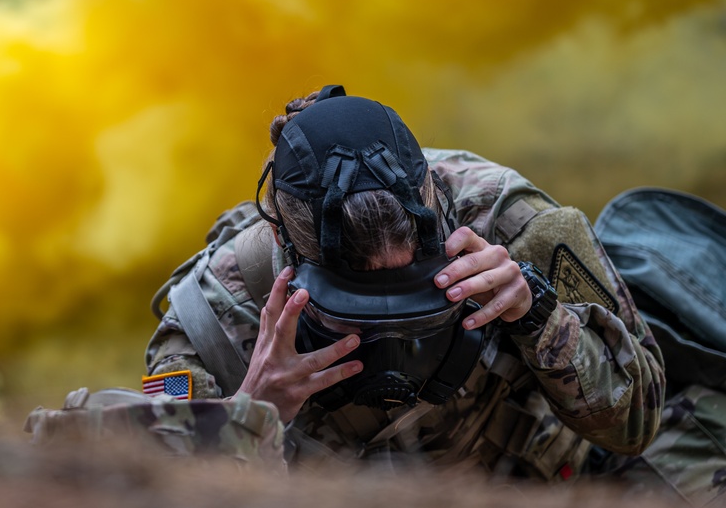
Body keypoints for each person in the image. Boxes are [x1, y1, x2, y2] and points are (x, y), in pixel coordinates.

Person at [144, 84, 666, 481]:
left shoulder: (516, 227)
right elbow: (154, 474)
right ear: (285, 239)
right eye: (354, 302)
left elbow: (637, 426)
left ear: (433, 202)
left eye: (417, 289)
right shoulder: (210, 314)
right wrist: (251, 408)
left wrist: (539, 315)